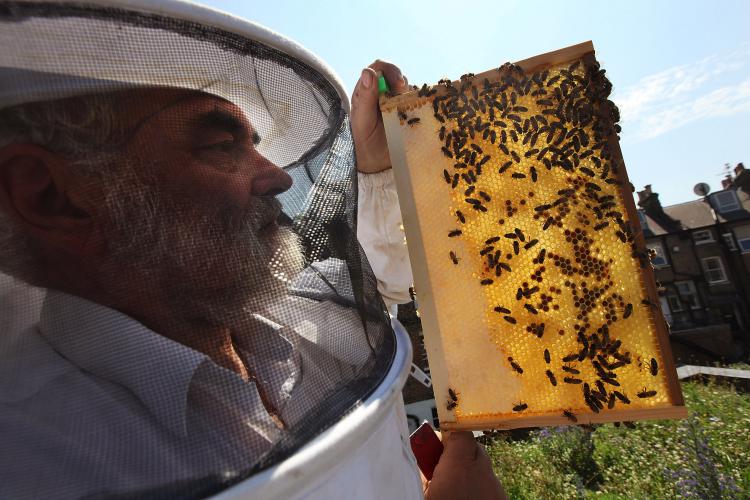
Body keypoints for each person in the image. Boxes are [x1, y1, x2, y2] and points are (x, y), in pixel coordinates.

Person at [0, 2, 504, 498]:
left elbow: (370, 281)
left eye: (255, 143)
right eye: (220, 146)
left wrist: (374, 169)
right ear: (52, 196)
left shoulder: (304, 321)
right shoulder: (33, 460)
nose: (279, 178)